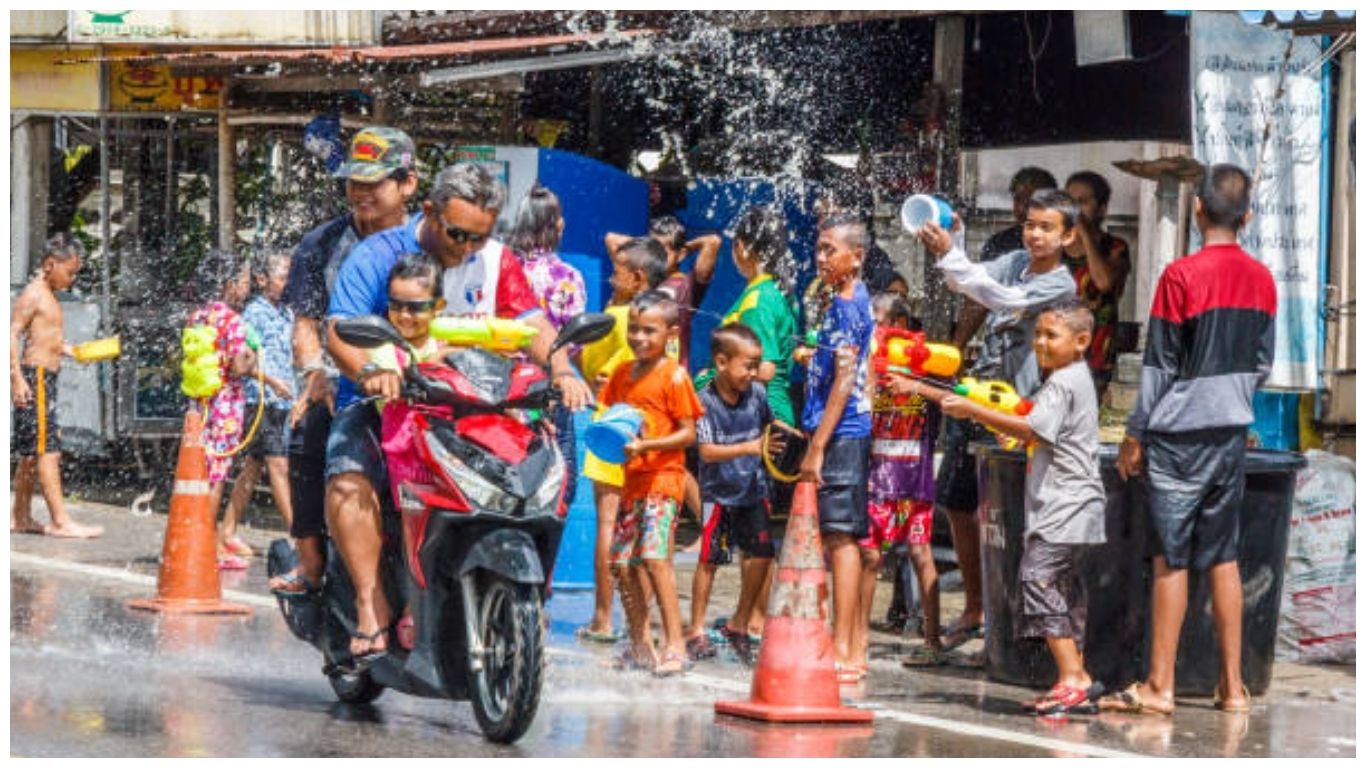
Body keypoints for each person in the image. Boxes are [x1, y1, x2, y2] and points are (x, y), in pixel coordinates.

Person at [325, 162, 592, 663]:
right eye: (457, 234)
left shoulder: (497, 260)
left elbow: (532, 323)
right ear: (428, 211)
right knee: (348, 475)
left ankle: (536, 595)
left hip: (478, 411)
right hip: (388, 406)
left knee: (561, 448)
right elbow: (339, 329)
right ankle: (370, 602)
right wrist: (370, 374)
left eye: (479, 236)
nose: (467, 248)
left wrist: (564, 373)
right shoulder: (377, 255)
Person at [1105, 163, 1274, 717]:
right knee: (1223, 557)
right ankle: (1233, 688)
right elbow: (1262, 364)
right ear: (1246, 217)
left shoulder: (1179, 276)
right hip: (1230, 431)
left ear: (1196, 209)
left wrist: (1135, 432)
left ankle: (1160, 686)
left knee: (1171, 559)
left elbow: (1158, 367)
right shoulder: (1262, 279)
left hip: (1179, 436)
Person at [918, 189, 1078, 650]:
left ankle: (1011, 624)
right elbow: (964, 283)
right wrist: (956, 241)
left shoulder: (1059, 285)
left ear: (1067, 236)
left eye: (1047, 227)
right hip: (976, 393)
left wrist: (954, 256)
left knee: (1006, 516)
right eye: (1031, 224)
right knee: (956, 500)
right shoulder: (1013, 260)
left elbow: (1004, 299)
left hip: (1016, 408)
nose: (1035, 234)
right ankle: (975, 606)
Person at [940, 297, 1107, 715]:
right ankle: (1074, 677)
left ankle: (1073, 676)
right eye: (1038, 334)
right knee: (1065, 590)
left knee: (1038, 580)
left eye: (1051, 335)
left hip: (1064, 508)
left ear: (1082, 340)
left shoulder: (1064, 381)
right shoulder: (1074, 379)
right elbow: (1039, 431)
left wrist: (975, 411)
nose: (1041, 343)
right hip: (1077, 507)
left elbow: (1032, 428)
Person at [272, 125, 419, 596]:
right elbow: (306, 324)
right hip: (348, 382)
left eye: (374, 183)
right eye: (355, 182)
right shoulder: (321, 244)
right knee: (306, 430)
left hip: (427, 380)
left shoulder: (432, 239)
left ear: (407, 183)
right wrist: (316, 373)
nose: (362, 193)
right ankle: (311, 562)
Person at [600, 291, 704, 677]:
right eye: (634, 329)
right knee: (622, 563)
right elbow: (614, 416)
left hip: (664, 479)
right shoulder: (622, 374)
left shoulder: (674, 376)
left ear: (671, 333)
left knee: (656, 556)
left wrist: (647, 444)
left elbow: (688, 434)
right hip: (632, 482)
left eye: (650, 331)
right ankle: (641, 643)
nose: (639, 338)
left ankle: (675, 644)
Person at [576, 237, 669, 644]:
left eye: (617, 270)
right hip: (651, 436)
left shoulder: (615, 317)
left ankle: (602, 617)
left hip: (612, 430)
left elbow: (590, 367)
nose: (611, 276)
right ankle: (640, 622)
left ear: (637, 279)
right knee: (647, 530)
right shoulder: (666, 320)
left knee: (609, 525)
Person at [799, 213, 876, 681]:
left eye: (831, 249)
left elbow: (846, 380)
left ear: (857, 257)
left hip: (843, 433)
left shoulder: (848, 306)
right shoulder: (844, 302)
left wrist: (818, 446)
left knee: (841, 538)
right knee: (836, 537)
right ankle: (843, 642)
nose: (821, 257)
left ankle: (846, 648)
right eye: (820, 248)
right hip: (839, 430)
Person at [849, 294, 944, 672]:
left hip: (916, 481)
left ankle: (933, 640)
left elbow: (950, 398)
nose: (876, 328)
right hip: (878, 478)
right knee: (870, 557)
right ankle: (859, 637)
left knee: (922, 554)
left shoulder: (927, 365)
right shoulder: (872, 365)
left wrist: (914, 386)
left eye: (881, 320)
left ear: (903, 324)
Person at [185, 249, 291, 570]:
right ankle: (212, 547)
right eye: (243, 279)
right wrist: (254, 358)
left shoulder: (200, 314)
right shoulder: (232, 319)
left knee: (203, 470)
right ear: (229, 285)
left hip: (202, 401)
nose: (246, 286)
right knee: (218, 474)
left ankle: (205, 538)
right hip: (227, 404)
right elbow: (239, 363)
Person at [684, 323, 778, 662]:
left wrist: (790, 439)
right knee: (709, 561)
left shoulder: (758, 396)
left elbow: (770, 428)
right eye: (747, 366)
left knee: (763, 555)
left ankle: (739, 624)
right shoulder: (705, 400)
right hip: (718, 495)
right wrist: (749, 447)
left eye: (757, 365)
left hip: (753, 489)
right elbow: (706, 452)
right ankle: (695, 630)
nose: (753, 373)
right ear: (722, 362)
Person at [369, 253, 446, 651]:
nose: (405, 315)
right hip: (409, 456)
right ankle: (413, 609)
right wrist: (383, 377)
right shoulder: (387, 348)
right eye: (396, 305)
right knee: (416, 532)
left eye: (415, 307)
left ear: (438, 307)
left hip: (450, 449)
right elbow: (379, 369)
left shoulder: (452, 340)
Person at [9, 233, 104, 538]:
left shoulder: (47, 294)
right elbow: (11, 334)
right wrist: (16, 378)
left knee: (30, 452)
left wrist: (72, 351)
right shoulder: (34, 294)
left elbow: (46, 339)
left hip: (42, 376)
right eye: (70, 271)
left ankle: (20, 515)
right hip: (34, 376)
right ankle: (61, 520)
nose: (72, 279)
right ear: (51, 264)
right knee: (49, 451)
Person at [508, 183, 588, 507]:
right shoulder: (567, 276)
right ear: (557, 225)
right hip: (552, 386)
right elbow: (575, 341)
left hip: (503, 386)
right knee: (561, 479)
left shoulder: (504, 272)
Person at [223, 249, 296, 562]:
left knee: (253, 467)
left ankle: (227, 530)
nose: (288, 283)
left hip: (281, 400)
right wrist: (272, 382)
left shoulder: (288, 313)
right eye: (282, 277)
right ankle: (299, 534)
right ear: (262, 280)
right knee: (278, 465)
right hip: (260, 399)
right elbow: (243, 362)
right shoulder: (254, 313)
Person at [950, 166, 1059, 351]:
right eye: (1018, 200)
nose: (1023, 208)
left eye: (1032, 201)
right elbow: (977, 295)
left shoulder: (1062, 244)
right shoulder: (1001, 243)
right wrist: (957, 346)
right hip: (1002, 347)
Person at [605, 216, 722, 373]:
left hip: (671, 373)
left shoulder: (687, 285)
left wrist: (685, 247)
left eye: (663, 251)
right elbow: (611, 239)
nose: (658, 255)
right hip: (637, 366)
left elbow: (713, 241)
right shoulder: (644, 279)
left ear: (680, 255)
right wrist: (649, 249)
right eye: (654, 250)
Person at [1062, 171, 1132, 399]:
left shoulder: (1115, 247)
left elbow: (1103, 282)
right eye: (1070, 202)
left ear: (1102, 209)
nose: (1075, 209)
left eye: (1083, 202)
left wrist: (1085, 234)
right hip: (1056, 347)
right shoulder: (1054, 247)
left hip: (1095, 351)